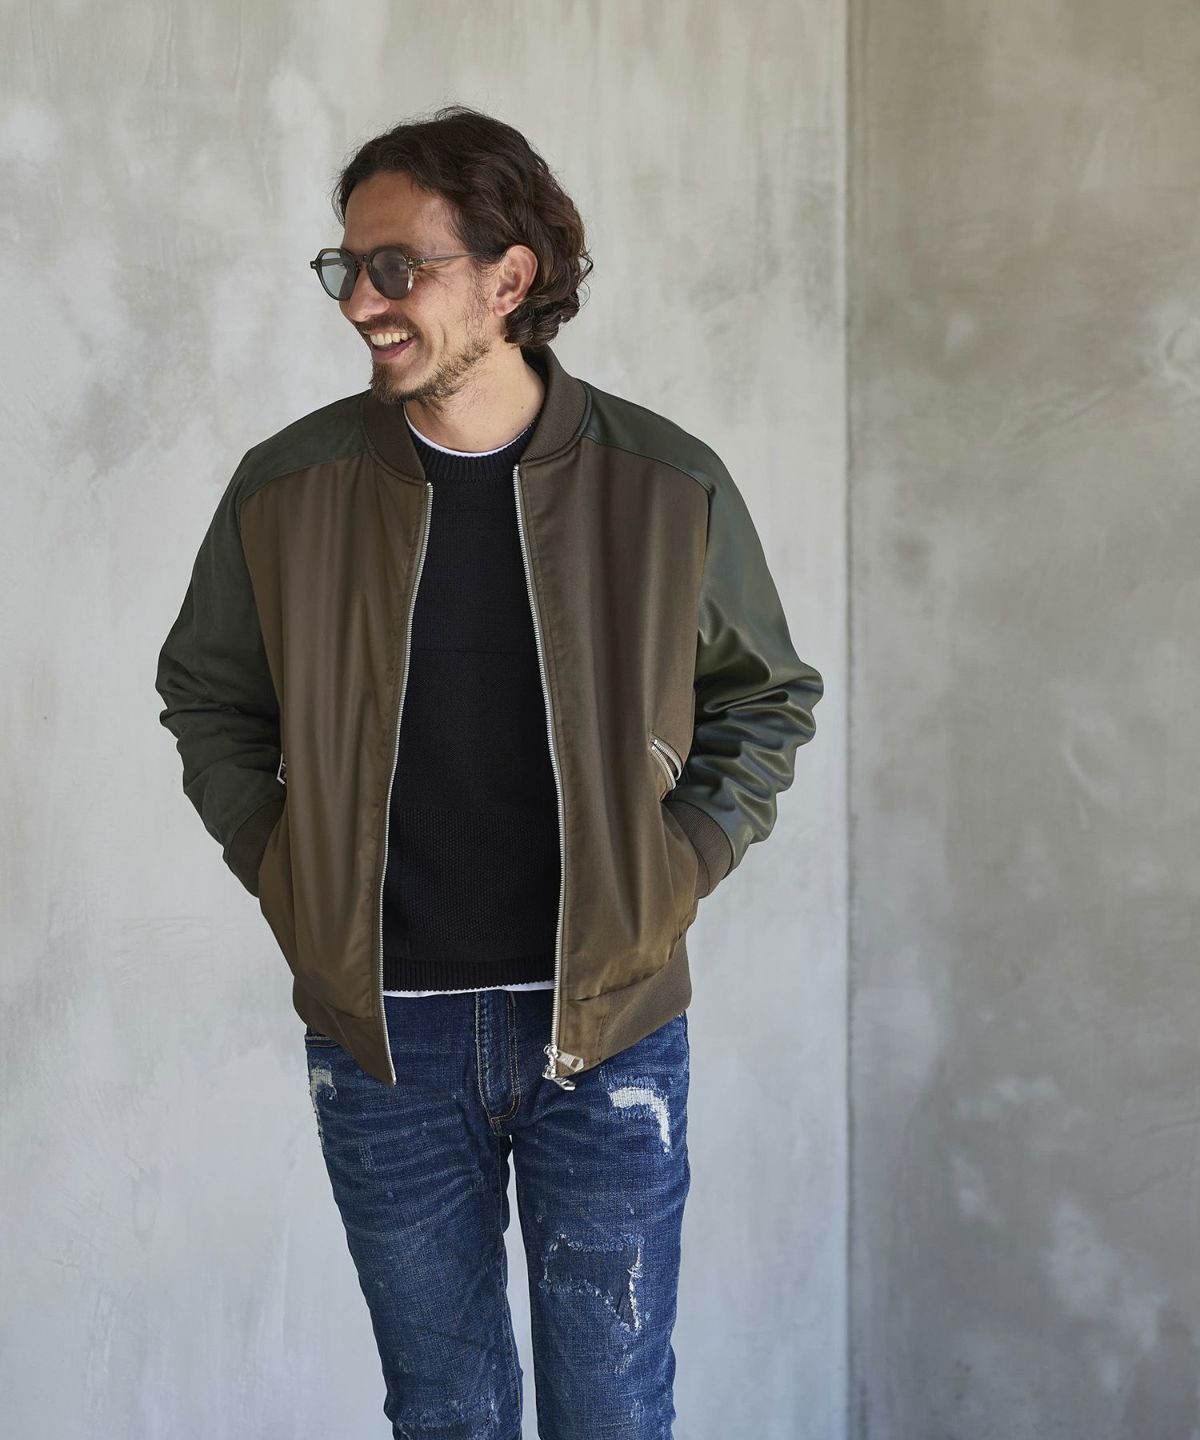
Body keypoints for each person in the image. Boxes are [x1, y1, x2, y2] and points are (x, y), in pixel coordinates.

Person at [155, 103, 823, 1440]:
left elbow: (765, 699)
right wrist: (287, 872)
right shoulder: (286, 489)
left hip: (609, 1028)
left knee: (612, 1412)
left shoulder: (663, 484)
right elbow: (210, 698)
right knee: (445, 1414)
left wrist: (673, 870)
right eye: (346, 268)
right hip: (384, 1039)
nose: (360, 302)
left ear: (510, 278)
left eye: (395, 266)